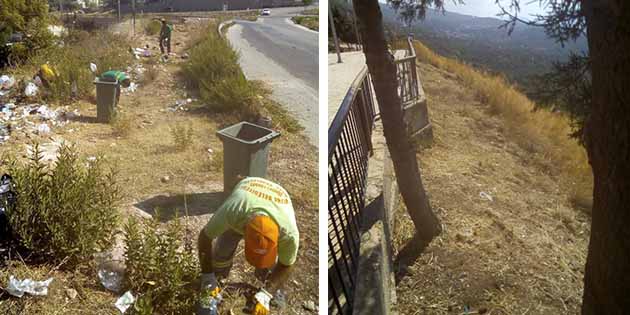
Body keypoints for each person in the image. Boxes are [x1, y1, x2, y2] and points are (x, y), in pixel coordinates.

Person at [196, 177, 299, 315]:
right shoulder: (232, 211)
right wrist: (208, 276)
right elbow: (204, 237)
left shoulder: (289, 234)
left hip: (279, 197)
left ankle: (271, 292)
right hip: (246, 197)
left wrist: (267, 294)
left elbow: (287, 264)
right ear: (244, 231)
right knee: (223, 250)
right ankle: (217, 280)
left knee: (272, 267)